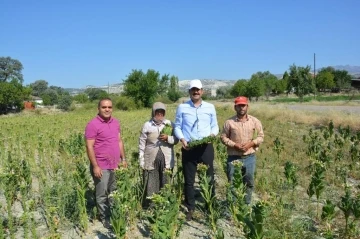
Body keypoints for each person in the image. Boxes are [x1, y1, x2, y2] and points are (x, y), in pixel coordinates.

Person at [174, 79, 219, 221]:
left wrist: (212, 135)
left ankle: (209, 205)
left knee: (209, 177)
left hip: (206, 147)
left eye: (198, 89)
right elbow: (177, 127)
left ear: (202, 91)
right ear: (189, 92)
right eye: (193, 89)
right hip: (189, 147)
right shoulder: (182, 108)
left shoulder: (210, 107)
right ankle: (190, 207)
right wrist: (182, 139)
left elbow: (215, 126)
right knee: (189, 180)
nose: (196, 92)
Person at [85, 97, 127, 229]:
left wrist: (123, 159)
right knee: (102, 193)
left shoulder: (116, 122)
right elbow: (89, 147)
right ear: (98, 108)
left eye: (109, 107)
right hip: (101, 165)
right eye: (104, 107)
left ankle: (115, 214)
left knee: (114, 191)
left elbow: (119, 141)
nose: (107, 109)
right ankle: (105, 217)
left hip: (115, 164)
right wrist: (96, 166)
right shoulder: (92, 125)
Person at [220, 96, 264, 205]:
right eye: (239, 106)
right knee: (232, 183)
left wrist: (251, 144)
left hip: (249, 157)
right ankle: (232, 207)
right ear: (235, 107)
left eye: (243, 105)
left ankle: (246, 204)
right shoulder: (229, 122)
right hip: (233, 158)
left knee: (249, 182)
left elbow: (261, 136)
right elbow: (223, 137)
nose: (241, 108)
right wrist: (235, 145)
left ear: (247, 106)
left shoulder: (255, 121)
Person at [138, 102, 179, 207]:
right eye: (157, 112)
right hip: (150, 158)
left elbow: (176, 140)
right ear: (153, 112)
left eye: (162, 112)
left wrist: (168, 138)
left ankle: (164, 205)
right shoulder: (147, 125)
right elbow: (142, 144)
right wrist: (141, 159)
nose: (160, 114)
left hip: (167, 158)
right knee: (151, 180)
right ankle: (152, 206)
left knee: (165, 180)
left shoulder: (170, 124)